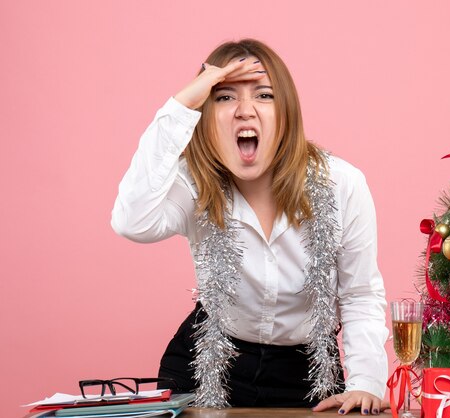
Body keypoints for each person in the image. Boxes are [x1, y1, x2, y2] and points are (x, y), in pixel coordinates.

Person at [111, 39, 388, 415]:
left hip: (308, 372)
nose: (244, 111)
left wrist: (366, 383)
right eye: (223, 98)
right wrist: (180, 105)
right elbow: (132, 221)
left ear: (287, 112)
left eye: (264, 95)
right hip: (206, 362)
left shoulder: (342, 183)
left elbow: (359, 294)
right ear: (206, 117)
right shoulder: (193, 184)